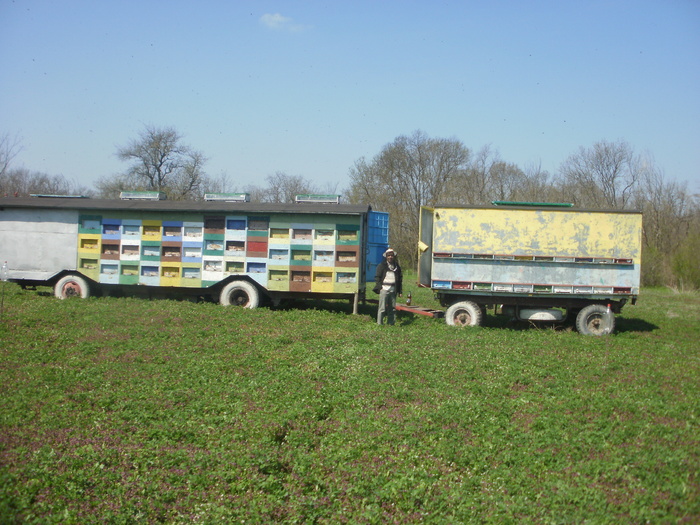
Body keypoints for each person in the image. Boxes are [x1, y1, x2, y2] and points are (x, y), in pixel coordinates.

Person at [373, 248, 403, 325]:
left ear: (394, 256)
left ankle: (391, 323)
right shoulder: (382, 266)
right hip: (384, 289)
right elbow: (377, 277)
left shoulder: (397, 267)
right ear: (386, 256)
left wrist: (400, 291)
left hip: (393, 290)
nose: (390, 257)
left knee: (392, 308)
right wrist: (380, 287)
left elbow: (399, 279)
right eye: (388, 255)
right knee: (382, 308)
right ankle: (379, 323)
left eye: (392, 255)